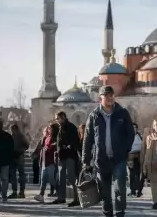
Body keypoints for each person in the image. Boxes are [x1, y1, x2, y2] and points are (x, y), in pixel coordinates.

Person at [82, 85, 135, 217]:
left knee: (120, 188)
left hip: (119, 159)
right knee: (104, 191)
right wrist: (86, 160)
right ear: (100, 98)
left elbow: (130, 134)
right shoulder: (94, 116)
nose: (110, 97)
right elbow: (87, 139)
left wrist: (125, 150)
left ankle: (119, 213)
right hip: (101, 160)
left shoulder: (122, 113)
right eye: (106, 95)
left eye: (112, 95)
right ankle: (108, 213)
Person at [52, 111, 81, 207]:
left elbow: (75, 141)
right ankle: (61, 197)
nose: (57, 120)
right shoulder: (60, 128)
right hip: (62, 156)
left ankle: (76, 198)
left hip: (70, 156)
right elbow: (59, 141)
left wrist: (69, 146)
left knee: (72, 177)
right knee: (61, 178)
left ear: (63, 117)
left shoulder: (71, 127)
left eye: (58, 118)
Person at [141, 114, 157, 209]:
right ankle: (156, 201)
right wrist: (142, 162)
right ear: (153, 124)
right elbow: (143, 148)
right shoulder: (147, 133)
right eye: (155, 125)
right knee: (154, 181)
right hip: (150, 161)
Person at [33, 124, 59, 202]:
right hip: (44, 161)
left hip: (51, 162)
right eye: (48, 129)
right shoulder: (46, 138)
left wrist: (50, 148)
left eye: (50, 129)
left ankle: (59, 191)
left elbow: (53, 147)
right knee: (43, 179)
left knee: (51, 179)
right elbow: (43, 148)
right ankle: (41, 195)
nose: (48, 130)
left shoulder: (55, 138)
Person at [8, 124, 29, 199]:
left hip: (19, 157)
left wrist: (19, 151)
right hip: (13, 158)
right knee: (14, 176)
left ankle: (21, 192)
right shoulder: (10, 136)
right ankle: (15, 192)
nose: (12, 130)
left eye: (13, 129)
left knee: (20, 175)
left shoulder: (21, 136)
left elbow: (27, 145)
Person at [127, 123, 143, 197]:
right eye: (132, 127)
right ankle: (132, 190)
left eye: (135, 127)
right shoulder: (127, 136)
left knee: (139, 174)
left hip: (139, 156)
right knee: (131, 174)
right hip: (131, 156)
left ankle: (139, 190)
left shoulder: (140, 136)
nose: (134, 129)